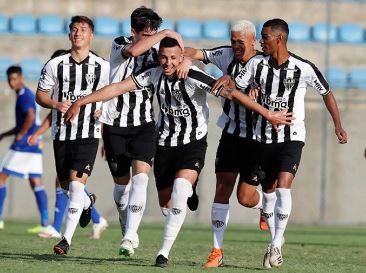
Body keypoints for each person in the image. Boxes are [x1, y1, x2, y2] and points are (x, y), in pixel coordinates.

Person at [64, 37, 293, 267]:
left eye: (173, 57)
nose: (168, 62)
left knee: (180, 192)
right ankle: (188, 192)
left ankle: (163, 252)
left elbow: (231, 93)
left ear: (181, 56)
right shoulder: (153, 74)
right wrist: (80, 102)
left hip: (192, 144)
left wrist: (268, 114)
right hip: (164, 144)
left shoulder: (193, 76)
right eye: (163, 57)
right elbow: (116, 88)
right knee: (167, 203)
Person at [222, 18, 348, 268]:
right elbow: (234, 87)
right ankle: (273, 238)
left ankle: (277, 244)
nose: (260, 41)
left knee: (283, 186)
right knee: (255, 195)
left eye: (265, 37)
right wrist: (242, 89)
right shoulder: (257, 63)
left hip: (292, 138)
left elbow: (327, 92)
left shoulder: (303, 67)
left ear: (279, 38)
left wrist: (338, 125)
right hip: (262, 139)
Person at [97, 6, 185, 256]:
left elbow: (179, 54)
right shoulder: (119, 44)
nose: (152, 39)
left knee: (141, 179)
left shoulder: (158, 51)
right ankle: (127, 225)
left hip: (144, 124)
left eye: (154, 33)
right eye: (147, 34)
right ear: (133, 32)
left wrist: (185, 58)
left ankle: (130, 236)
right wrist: (165, 32)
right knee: (121, 189)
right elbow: (135, 50)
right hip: (115, 124)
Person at [184, 20, 268, 268]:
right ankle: (216, 251)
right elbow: (195, 52)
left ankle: (263, 204)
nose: (235, 46)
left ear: (253, 40)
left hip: (256, 138)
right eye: (232, 41)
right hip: (231, 133)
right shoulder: (225, 54)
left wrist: (241, 86)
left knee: (245, 197)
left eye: (240, 42)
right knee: (223, 187)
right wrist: (181, 58)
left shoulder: (264, 64)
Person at [35, 15, 110, 255]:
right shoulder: (55, 64)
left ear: (91, 35)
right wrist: (55, 104)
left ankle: (65, 239)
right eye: (74, 29)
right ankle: (88, 204)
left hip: (88, 133)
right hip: (61, 134)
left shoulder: (103, 66)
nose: (78, 33)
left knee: (76, 187)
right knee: (67, 187)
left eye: (83, 29)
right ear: (69, 35)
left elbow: (113, 94)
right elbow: (41, 95)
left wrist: (104, 111)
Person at [28, 111, 108, 240]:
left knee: (72, 182)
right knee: (66, 183)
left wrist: (106, 141)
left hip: (83, 138)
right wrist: (37, 133)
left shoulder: (90, 94)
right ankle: (96, 217)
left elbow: (101, 112)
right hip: (63, 137)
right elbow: (53, 113)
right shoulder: (61, 94)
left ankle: (57, 228)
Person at [0, 65, 50, 233]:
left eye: (14, 79)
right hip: (36, 142)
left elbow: (29, 116)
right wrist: (5, 134)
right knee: (36, 182)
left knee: (0, 177)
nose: (11, 82)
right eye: (9, 79)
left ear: (21, 78)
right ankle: (45, 223)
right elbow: (25, 121)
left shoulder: (24, 95)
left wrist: (20, 135)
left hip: (25, 142)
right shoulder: (26, 94)